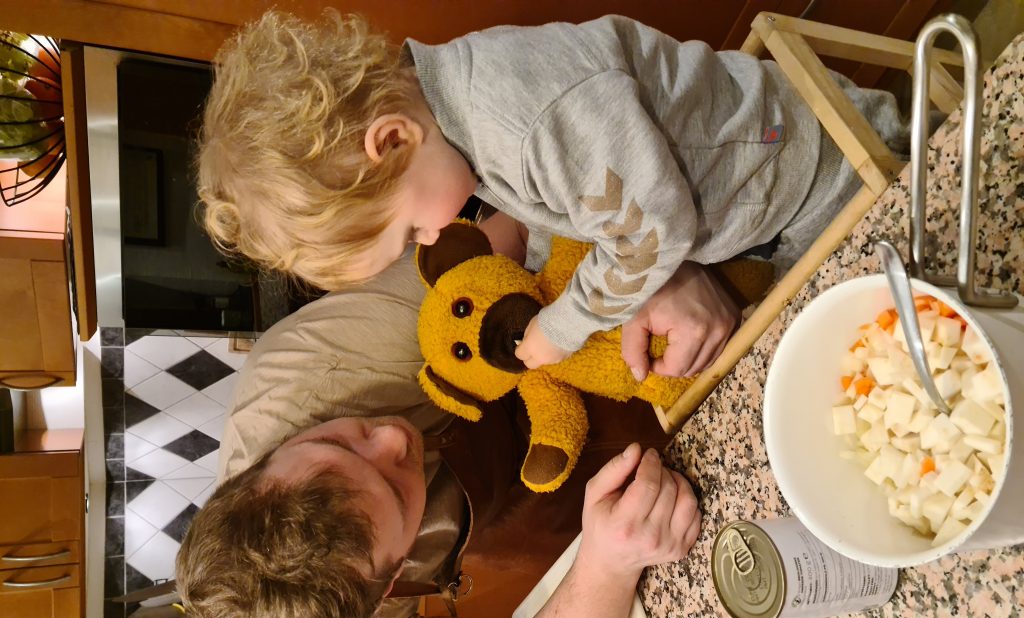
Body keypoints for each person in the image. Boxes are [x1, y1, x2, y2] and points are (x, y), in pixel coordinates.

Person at [196, 11, 908, 378]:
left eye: (409, 229)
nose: (430, 240)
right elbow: (560, 195)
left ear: (391, 141)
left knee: (851, 353)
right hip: (756, 193)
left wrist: (562, 328)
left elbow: (650, 230)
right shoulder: (456, 110)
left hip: (818, 175)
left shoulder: (521, 119)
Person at [178, 406, 701, 618]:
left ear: (269, 459)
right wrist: (607, 564)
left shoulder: (299, 380)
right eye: (395, 490)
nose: (391, 438)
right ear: (390, 586)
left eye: (342, 439)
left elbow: (515, 244)